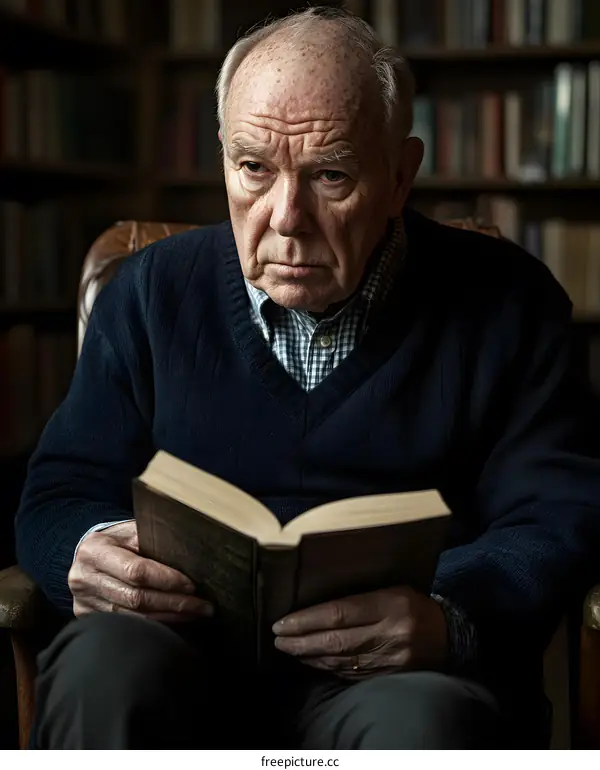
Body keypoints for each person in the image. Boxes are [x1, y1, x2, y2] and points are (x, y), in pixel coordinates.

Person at [14, 6, 600, 750]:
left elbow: (559, 512)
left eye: (330, 175)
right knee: (101, 666)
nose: (286, 218)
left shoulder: (508, 303)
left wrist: (450, 612)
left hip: (400, 678)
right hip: (179, 661)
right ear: (221, 155)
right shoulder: (149, 292)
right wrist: (87, 551)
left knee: (423, 725)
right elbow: (59, 488)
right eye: (253, 167)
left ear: (400, 176)